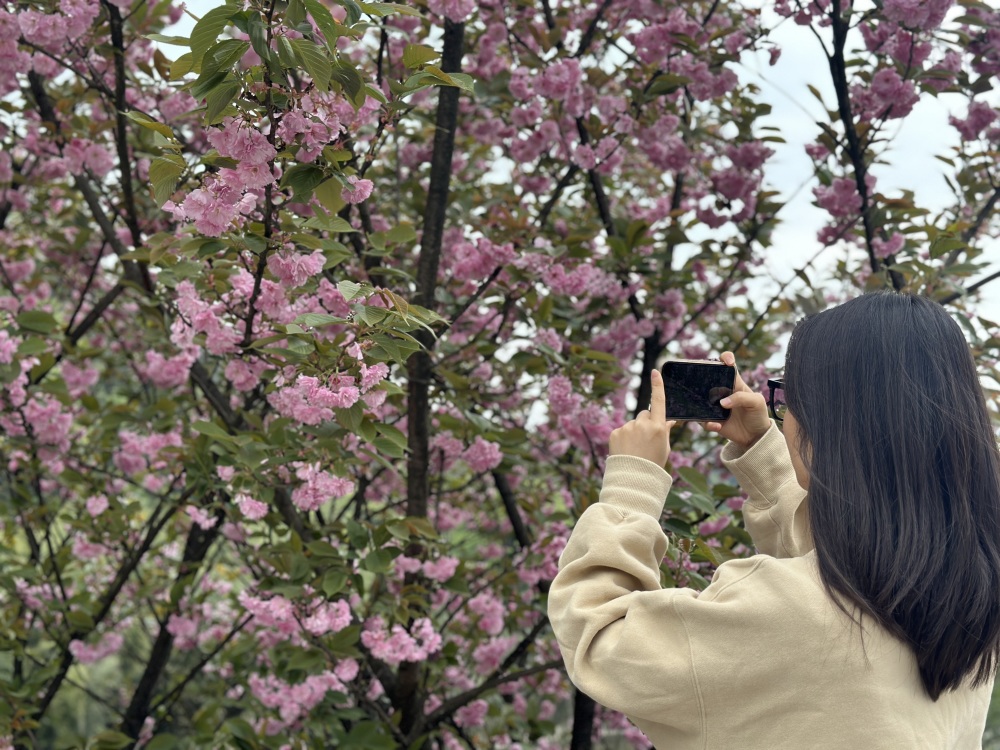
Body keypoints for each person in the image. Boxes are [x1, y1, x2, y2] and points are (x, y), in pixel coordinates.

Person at [548, 291, 1000, 749]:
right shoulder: (968, 609)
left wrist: (632, 486)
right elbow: (843, 571)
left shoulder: (785, 610)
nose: (784, 417)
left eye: (788, 397)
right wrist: (762, 452)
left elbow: (601, 639)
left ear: (835, 422)